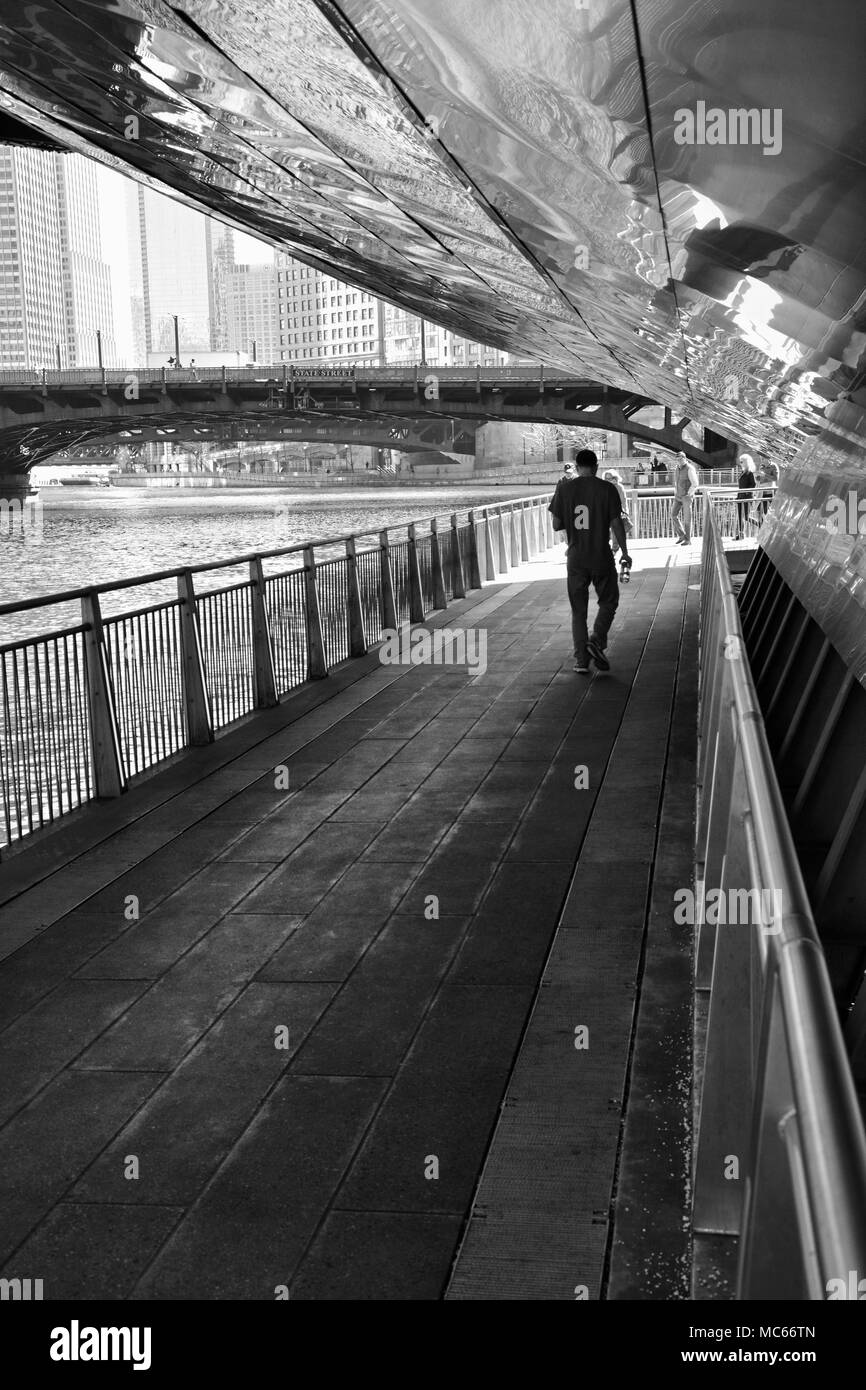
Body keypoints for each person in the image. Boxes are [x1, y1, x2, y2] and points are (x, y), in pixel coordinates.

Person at [549, 448, 630, 674]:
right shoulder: (607, 489)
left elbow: (556, 524)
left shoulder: (564, 489)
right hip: (601, 556)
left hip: (575, 557)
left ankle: (581, 661)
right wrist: (624, 552)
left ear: (576, 467)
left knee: (578, 611)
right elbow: (616, 524)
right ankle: (597, 638)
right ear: (596, 467)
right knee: (609, 600)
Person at [602, 467, 632, 555]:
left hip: (616, 512)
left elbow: (623, 500)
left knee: (615, 531)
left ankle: (614, 549)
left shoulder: (619, 487)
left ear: (614, 478)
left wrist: (625, 512)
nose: (607, 480)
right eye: (606, 478)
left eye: (609, 478)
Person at [671, 452, 699, 545]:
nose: (679, 461)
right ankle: (682, 536)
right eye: (677, 459)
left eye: (680, 459)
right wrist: (675, 491)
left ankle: (688, 540)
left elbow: (695, 483)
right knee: (673, 515)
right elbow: (676, 482)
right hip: (678, 496)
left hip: (686, 497)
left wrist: (689, 494)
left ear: (684, 458)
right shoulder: (677, 468)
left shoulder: (690, 468)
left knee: (687, 519)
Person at [736, 454, 757, 538]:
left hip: (747, 497)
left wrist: (747, 492)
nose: (740, 463)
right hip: (740, 496)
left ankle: (760, 524)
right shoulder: (742, 473)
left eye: (742, 462)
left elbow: (753, 484)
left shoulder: (750, 473)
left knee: (746, 516)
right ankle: (741, 534)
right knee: (740, 516)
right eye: (740, 462)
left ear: (746, 462)